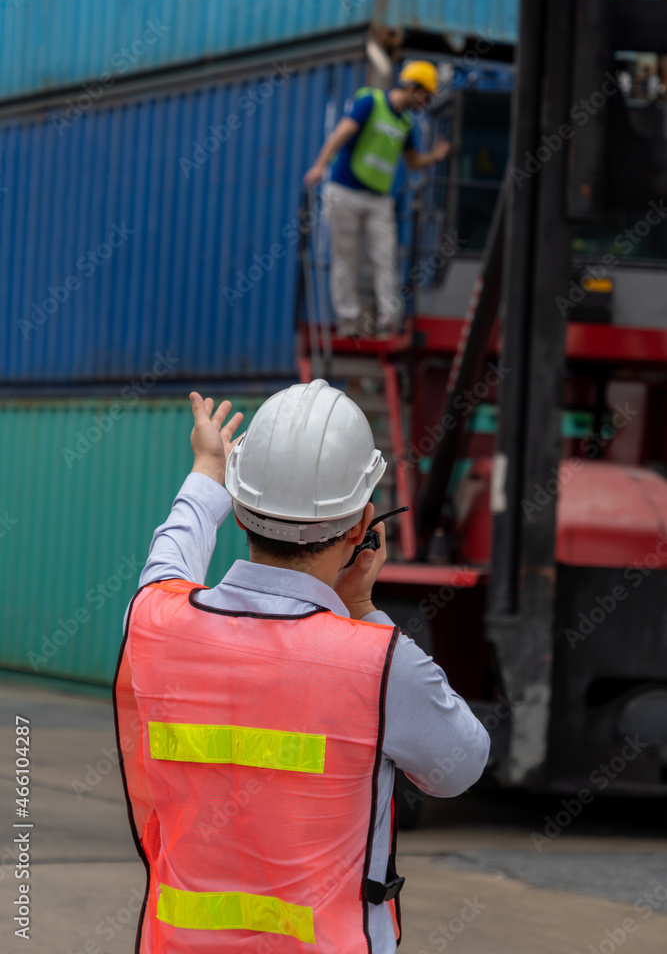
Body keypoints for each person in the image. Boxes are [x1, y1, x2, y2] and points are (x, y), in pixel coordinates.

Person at [114, 382, 490, 953]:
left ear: (239, 512)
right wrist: (363, 609)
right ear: (364, 527)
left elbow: (172, 553)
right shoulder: (381, 662)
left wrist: (208, 465)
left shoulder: (153, 622)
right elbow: (460, 765)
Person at [304, 61, 451, 339]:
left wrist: (435, 156)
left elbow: (412, 161)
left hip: (379, 199)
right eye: (425, 95)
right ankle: (348, 320)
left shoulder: (406, 123)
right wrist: (320, 165)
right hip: (344, 191)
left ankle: (388, 321)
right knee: (345, 257)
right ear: (411, 87)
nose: (425, 102)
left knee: (386, 258)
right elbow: (341, 134)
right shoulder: (370, 103)